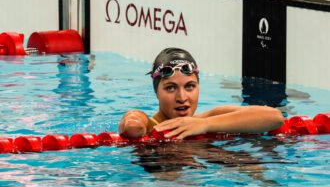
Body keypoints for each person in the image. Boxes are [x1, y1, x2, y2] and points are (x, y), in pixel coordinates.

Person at [119, 48, 284, 140]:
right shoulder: (150, 126)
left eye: (190, 86)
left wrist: (205, 125)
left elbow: (274, 117)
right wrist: (136, 119)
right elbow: (133, 125)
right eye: (170, 88)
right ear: (156, 92)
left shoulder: (209, 118)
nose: (182, 97)